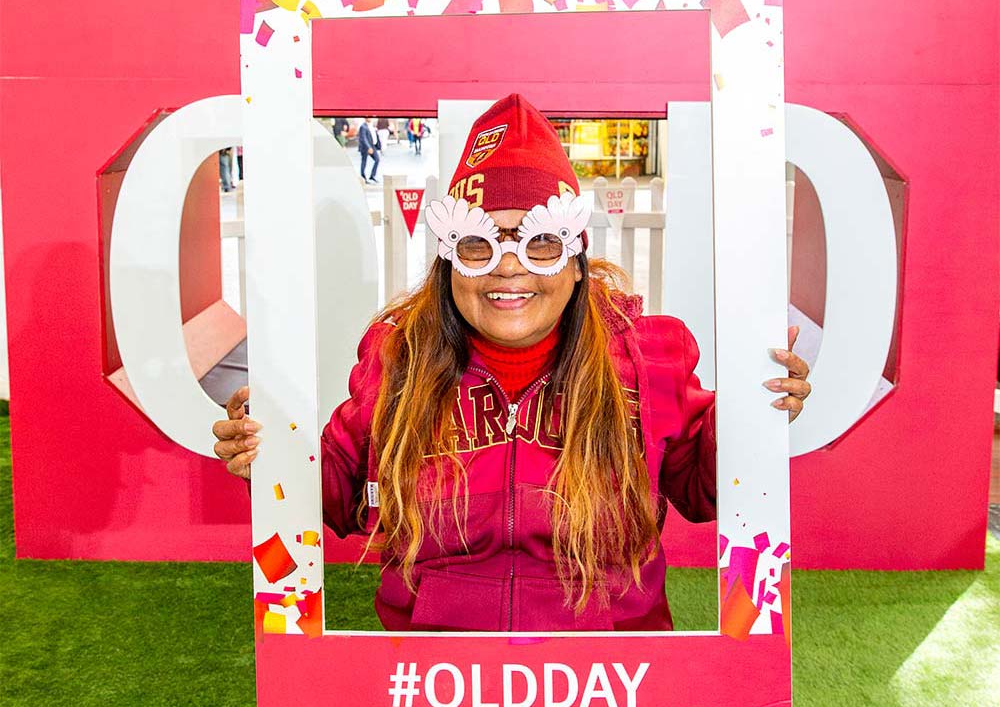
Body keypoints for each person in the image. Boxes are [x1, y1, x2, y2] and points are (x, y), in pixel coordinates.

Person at [213, 94, 811, 632]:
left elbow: (704, 490)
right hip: (439, 685)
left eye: (539, 241)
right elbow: (337, 494)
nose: (507, 266)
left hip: (609, 685)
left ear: (576, 261)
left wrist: (758, 410)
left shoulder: (646, 360)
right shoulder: (400, 362)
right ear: (450, 264)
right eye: (479, 243)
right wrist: (269, 451)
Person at [357, 117, 381, 184]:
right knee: (364, 161)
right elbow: (363, 138)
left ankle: (372, 176)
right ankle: (363, 177)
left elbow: (374, 136)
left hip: (372, 146)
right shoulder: (363, 126)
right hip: (366, 147)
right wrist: (368, 147)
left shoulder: (372, 126)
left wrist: (378, 145)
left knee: (377, 159)